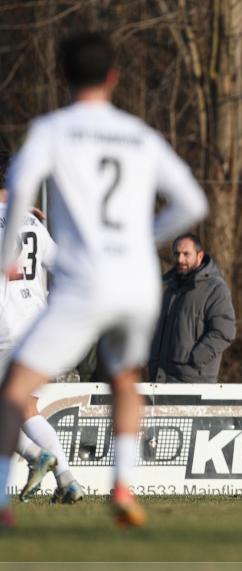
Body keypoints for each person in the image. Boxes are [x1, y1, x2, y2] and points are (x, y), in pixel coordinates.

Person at [0, 32, 208, 529]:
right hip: (135, 280)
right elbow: (193, 204)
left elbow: (21, 188)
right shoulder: (139, 134)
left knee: (14, 390)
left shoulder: (52, 130)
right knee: (124, 379)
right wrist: (145, 239)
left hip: (85, 280)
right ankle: (122, 486)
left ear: (61, 76)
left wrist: (9, 255)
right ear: (114, 77)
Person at [0, 191, 84, 503]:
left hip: (4, 329)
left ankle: (37, 456)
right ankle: (67, 480)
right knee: (27, 409)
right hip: (37, 328)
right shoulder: (33, 221)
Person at [148, 234, 235, 383]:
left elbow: (224, 332)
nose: (180, 259)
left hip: (192, 382)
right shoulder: (169, 287)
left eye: (186, 254)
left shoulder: (215, 289)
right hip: (159, 377)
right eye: (177, 254)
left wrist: (194, 359)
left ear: (200, 256)